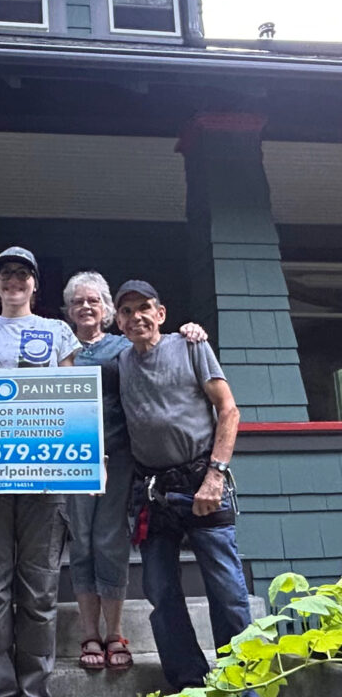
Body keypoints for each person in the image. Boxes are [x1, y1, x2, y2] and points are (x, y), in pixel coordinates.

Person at [114, 279, 254, 693]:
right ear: (118, 321)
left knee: (227, 590)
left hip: (201, 483)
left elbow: (228, 410)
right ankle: (188, 681)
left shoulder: (192, 346)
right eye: (126, 311)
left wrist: (215, 476)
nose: (136, 316)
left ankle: (240, 682)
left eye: (145, 308)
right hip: (152, 493)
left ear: (160, 313)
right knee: (160, 592)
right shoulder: (120, 361)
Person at [62, 271, 206, 672]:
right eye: (77, 302)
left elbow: (158, 349)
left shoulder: (122, 345)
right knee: (82, 542)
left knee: (110, 540)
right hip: (71, 458)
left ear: (108, 310)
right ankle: (88, 632)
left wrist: (189, 330)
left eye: (93, 301)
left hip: (119, 456)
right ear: (68, 311)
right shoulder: (58, 345)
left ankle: (114, 633)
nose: (86, 307)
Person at [0, 246, 80, 697]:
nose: (13, 281)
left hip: (45, 474)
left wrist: (79, 458)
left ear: (35, 283)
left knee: (41, 588)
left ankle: (34, 687)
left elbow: (70, 397)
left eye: (22, 274)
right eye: (6, 274)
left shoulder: (58, 331)